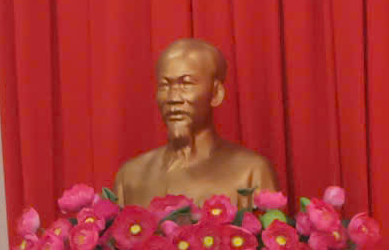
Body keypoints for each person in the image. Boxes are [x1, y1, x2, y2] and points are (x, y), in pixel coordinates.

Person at [113, 37, 280, 207]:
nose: (173, 98)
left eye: (186, 84)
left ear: (216, 93)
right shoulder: (130, 177)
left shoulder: (251, 172)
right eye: (164, 86)